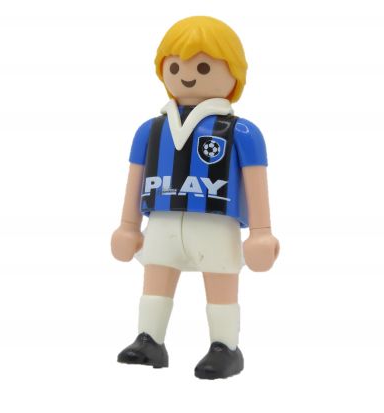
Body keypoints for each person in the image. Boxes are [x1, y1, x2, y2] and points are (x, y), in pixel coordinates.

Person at [111, 16, 279, 379]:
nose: (187, 75)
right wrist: (128, 226)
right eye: (175, 66)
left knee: (221, 279)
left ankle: (225, 346)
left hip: (216, 223)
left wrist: (261, 233)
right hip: (162, 221)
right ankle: (149, 338)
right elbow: (135, 178)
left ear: (234, 72)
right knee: (156, 276)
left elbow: (256, 181)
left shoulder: (241, 132)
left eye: (203, 67)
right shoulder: (150, 130)